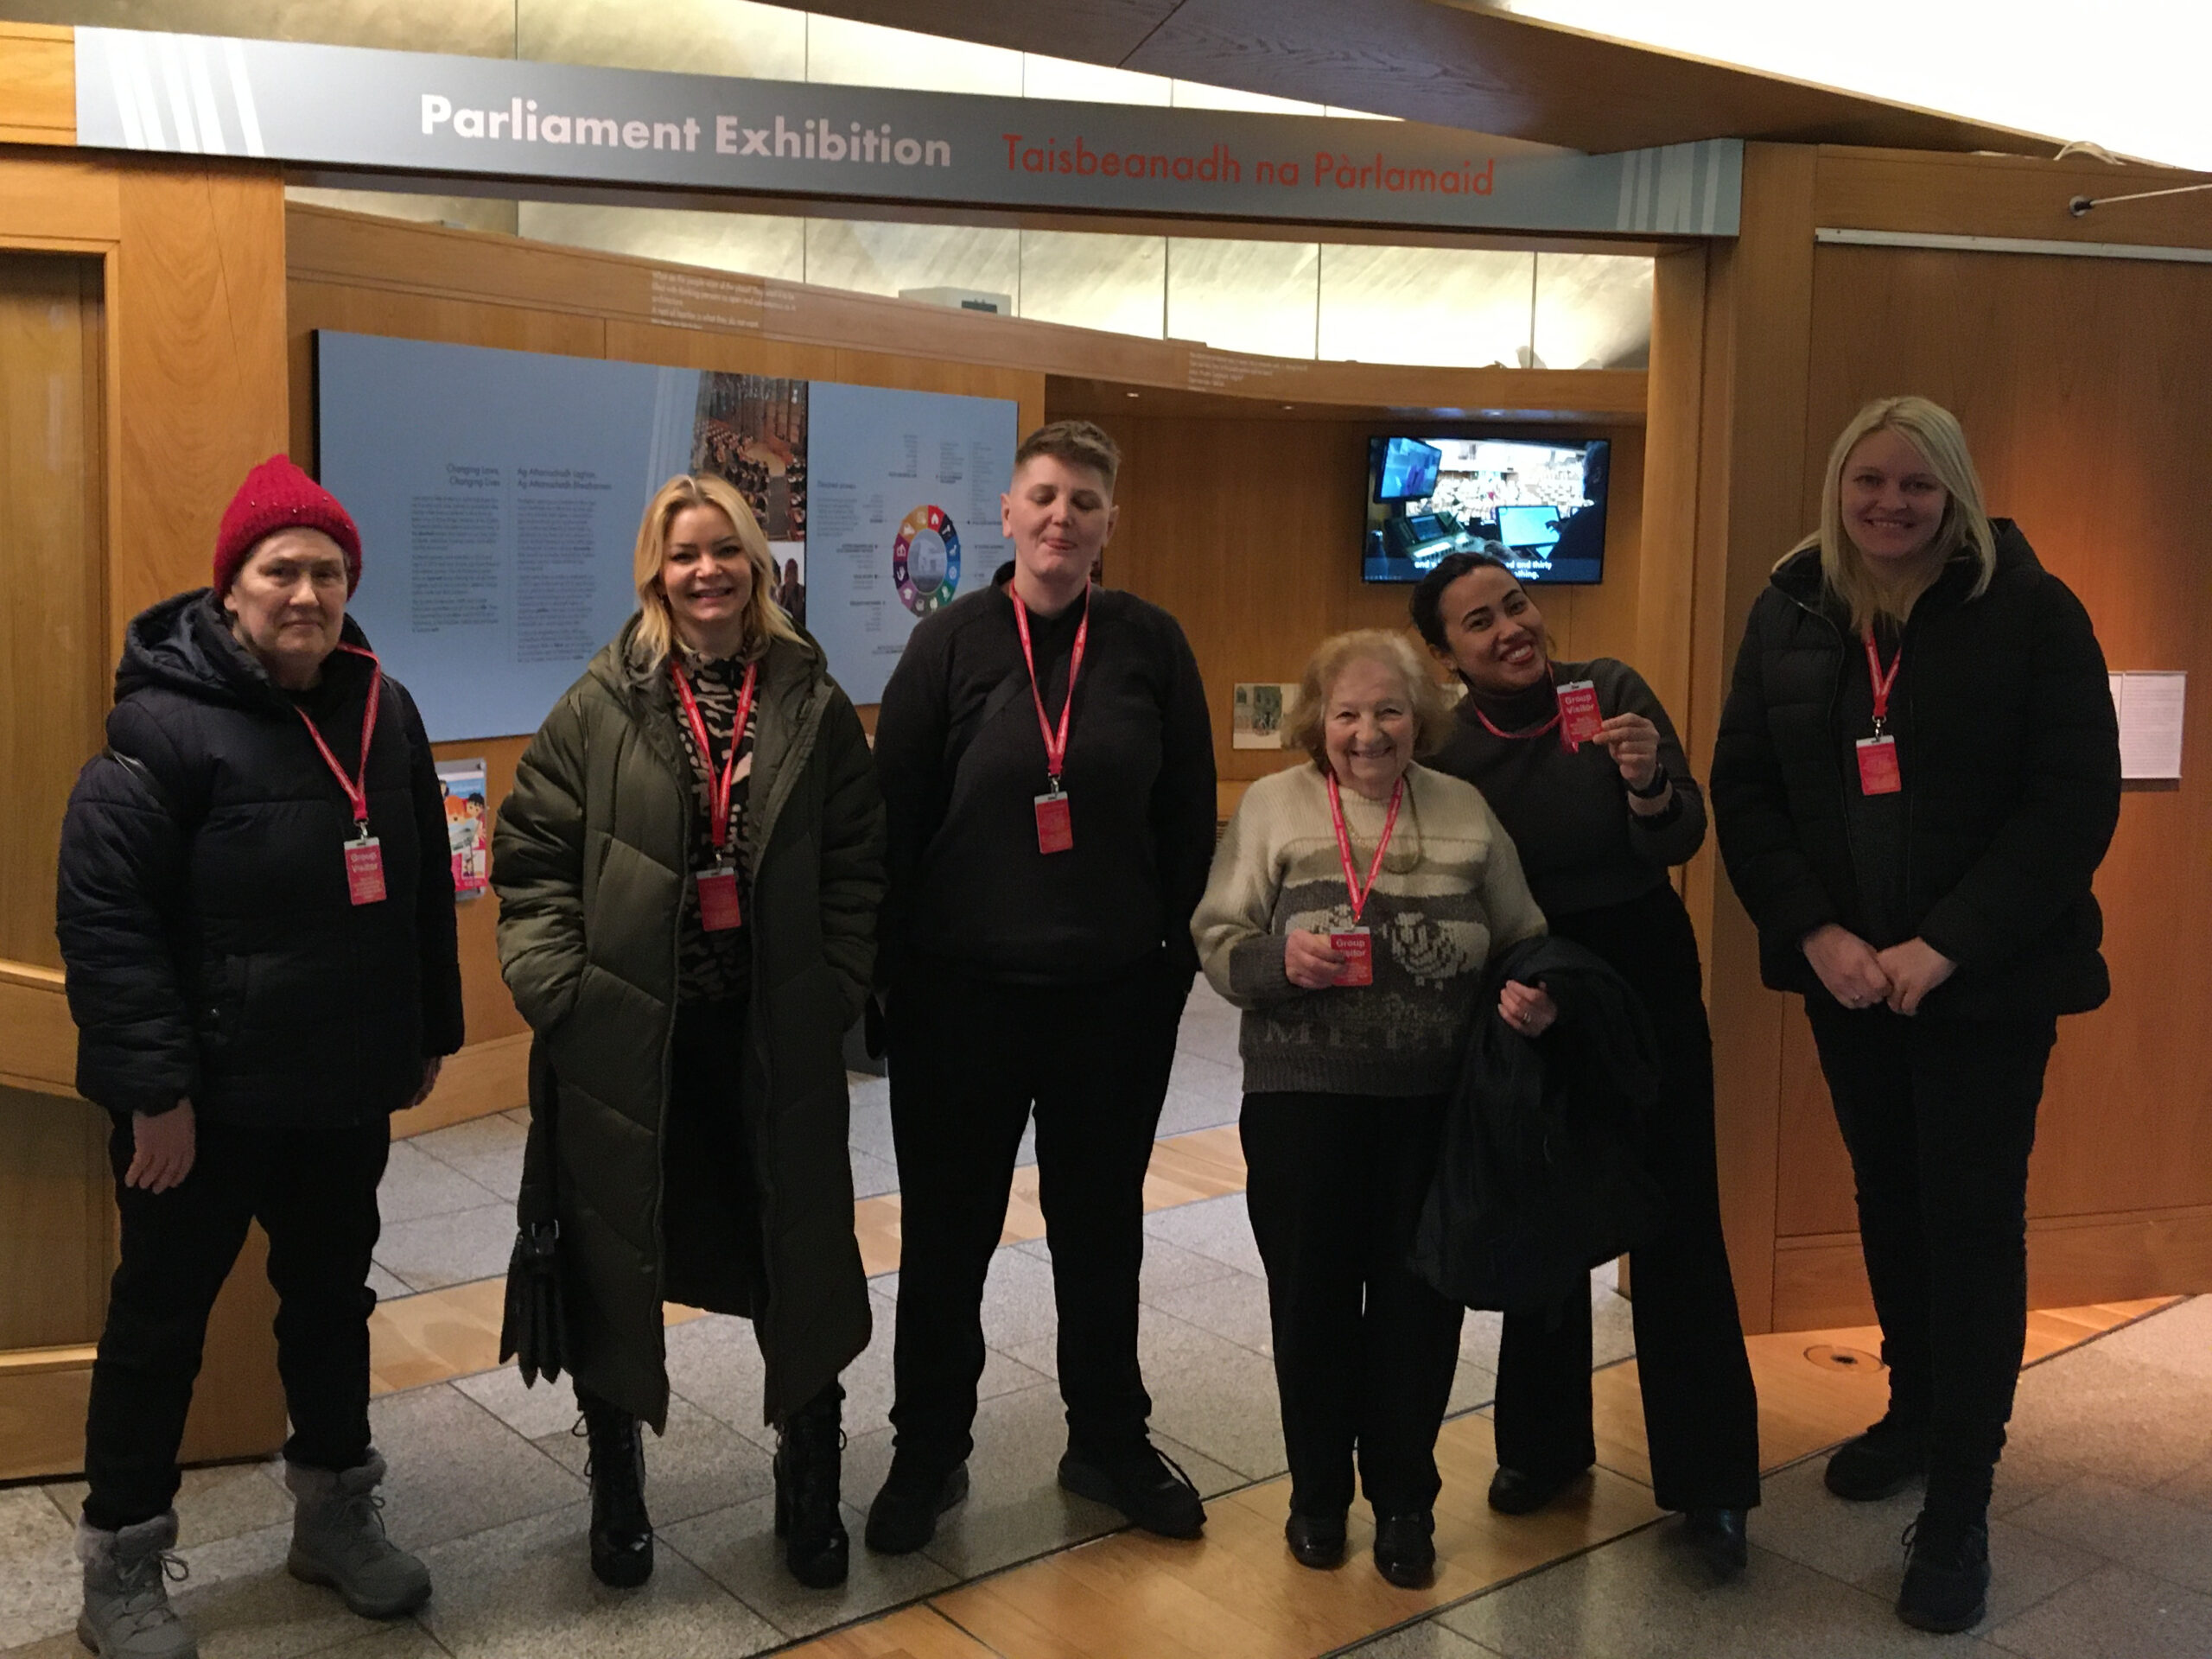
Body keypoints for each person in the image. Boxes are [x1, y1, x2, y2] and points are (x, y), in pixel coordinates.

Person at [1710, 396, 2120, 1634]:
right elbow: (1748, 788)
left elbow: (2073, 804)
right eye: (1868, 483)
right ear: (1840, 489)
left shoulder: (2035, 613)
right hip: (1848, 981)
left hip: (1984, 985)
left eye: (1917, 487)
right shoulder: (1789, 608)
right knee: (1888, 1193)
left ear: (1955, 495)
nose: (1891, 505)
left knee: (1970, 1217)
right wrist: (1820, 936)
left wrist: (1944, 946)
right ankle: (1913, 1405)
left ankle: (1962, 1502)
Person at [55, 455, 463, 1659]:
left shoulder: (385, 708)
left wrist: (427, 1033)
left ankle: (334, 1517)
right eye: (279, 569)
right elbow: (107, 924)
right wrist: (156, 1098)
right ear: (230, 585)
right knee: (158, 1326)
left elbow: (425, 885)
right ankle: (120, 1564)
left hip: (341, 1093)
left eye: (327, 571)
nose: (305, 592)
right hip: (205, 1107)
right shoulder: (159, 724)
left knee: (332, 1308)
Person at [493, 474, 885, 1591]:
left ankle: (810, 1485)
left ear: (757, 564)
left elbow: (860, 864)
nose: (706, 571)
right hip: (629, 1045)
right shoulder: (600, 704)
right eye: (683, 555)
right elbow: (531, 865)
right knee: (614, 1259)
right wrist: (562, 991)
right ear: (654, 574)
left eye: (725, 550)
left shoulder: (809, 698)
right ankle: (616, 1495)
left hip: (771, 1040)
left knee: (797, 1256)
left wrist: (835, 985)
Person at [868, 419, 1217, 1552]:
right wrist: (890, 982)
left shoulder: (1152, 647)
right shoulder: (951, 646)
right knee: (948, 1235)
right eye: (1044, 496)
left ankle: (1109, 1437)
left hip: (1111, 1001)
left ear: (1111, 526)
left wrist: (1169, 969)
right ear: (1008, 517)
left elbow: (1186, 818)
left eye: (1086, 501)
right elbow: (894, 821)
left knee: (1101, 1230)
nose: (1063, 516)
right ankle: (928, 1450)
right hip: (961, 999)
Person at [1413, 550, 1761, 1575]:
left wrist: (1649, 781)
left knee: (1677, 1217)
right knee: (1543, 1208)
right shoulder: (1444, 747)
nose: (1509, 628)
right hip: (1530, 988)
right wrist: (1498, 995)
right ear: (1446, 654)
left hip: (1642, 976)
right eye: (1478, 622)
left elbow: (1682, 834)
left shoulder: (1606, 691)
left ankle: (1711, 1484)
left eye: (1514, 604)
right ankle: (1543, 1450)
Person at [1192, 628, 1553, 1589]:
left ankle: (1404, 1503)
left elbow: (1522, 935)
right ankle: (1317, 1496)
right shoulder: (1273, 807)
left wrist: (1531, 991)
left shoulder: (1466, 811)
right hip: (1302, 1105)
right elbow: (1217, 935)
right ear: (1317, 721)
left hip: (1433, 1108)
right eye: (1347, 713)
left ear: (1419, 718)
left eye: (1388, 710)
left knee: (1418, 1308)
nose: (1367, 732)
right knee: (1310, 1307)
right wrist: (1279, 962)